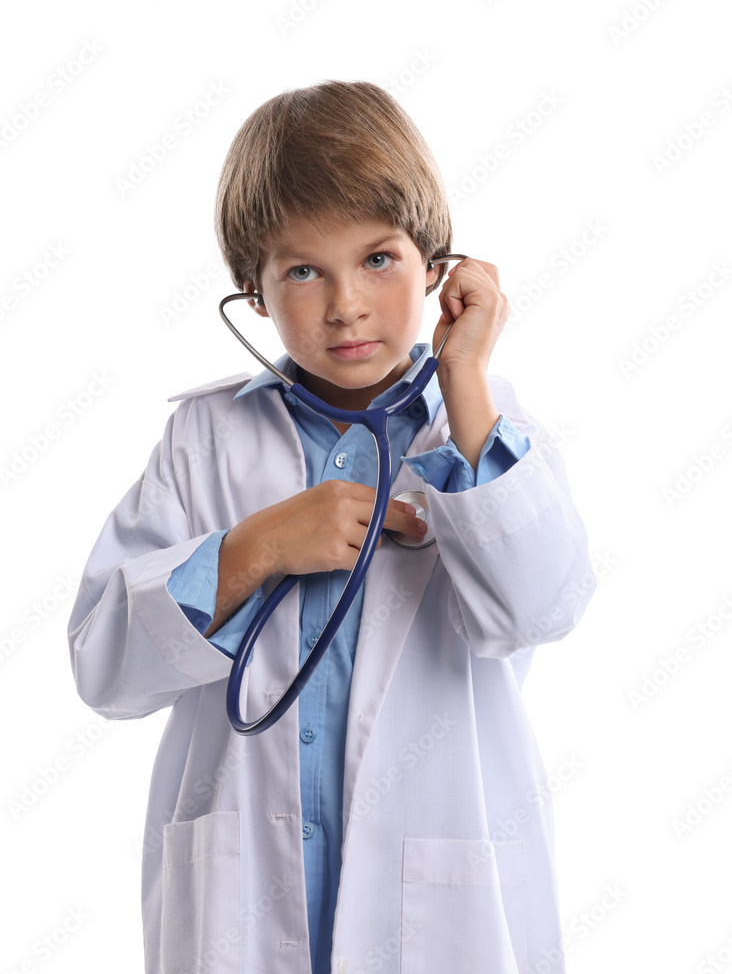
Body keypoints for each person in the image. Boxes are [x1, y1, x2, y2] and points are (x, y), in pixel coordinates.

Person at [68, 79, 596, 974]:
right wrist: (255, 548)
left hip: (440, 904)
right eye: (304, 271)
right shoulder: (205, 439)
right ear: (255, 291)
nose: (346, 303)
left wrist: (466, 383)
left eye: (378, 258)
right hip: (240, 906)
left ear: (437, 266)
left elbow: (542, 608)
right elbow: (104, 666)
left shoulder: (480, 427)